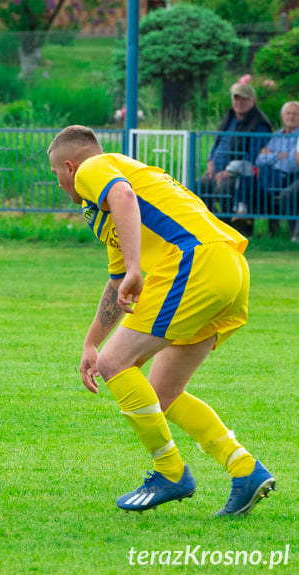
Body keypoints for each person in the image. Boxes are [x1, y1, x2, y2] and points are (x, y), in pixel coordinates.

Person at [47, 125, 275, 516]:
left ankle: (169, 471)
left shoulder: (94, 170)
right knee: (161, 393)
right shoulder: (110, 207)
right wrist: (91, 343)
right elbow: (119, 281)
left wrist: (137, 268)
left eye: (56, 175)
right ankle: (245, 469)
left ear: (69, 166)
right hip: (229, 267)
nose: (61, 184)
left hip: (195, 261)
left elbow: (122, 196)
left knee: (117, 364)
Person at [197, 83, 272, 223]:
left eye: (244, 99)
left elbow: (254, 156)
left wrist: (227, 172)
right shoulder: (229, 116)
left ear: (253, 100)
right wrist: (210, 161)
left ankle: (228, 228)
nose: (239, 102)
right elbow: (217, 142)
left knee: (223, 190)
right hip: (216, 172)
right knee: (197, 187)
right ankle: (210, 224)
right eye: (236, 98)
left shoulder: (260, 123)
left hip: (239, 175)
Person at [254, 101, 299, 235]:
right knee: (252, 182)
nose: (291, 117)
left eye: (295, 114)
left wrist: (270, 155)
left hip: (291, 177)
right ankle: (269, 232)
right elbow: (259, 160)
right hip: (273, 176)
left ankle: (291, 236)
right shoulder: (276, 135)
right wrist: (278, 155)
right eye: (288, 113)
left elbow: (291, 164)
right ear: (282, 116)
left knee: (280, 190)